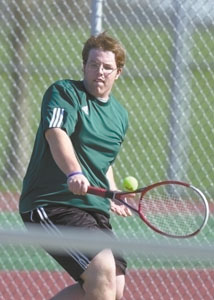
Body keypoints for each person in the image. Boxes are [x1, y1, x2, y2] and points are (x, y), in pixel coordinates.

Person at [19, 32, 132, 300]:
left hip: (93, 211)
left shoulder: (120, 116)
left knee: (114, 287)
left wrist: (113, 191)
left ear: (118, 73)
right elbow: (56, 133)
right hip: (52, 203)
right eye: (94, 65)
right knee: (102, 270)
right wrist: (74, 172)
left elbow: (102, 161)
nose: (99, 72)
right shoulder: (64, 92)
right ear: (84, 66)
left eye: (107, 67)